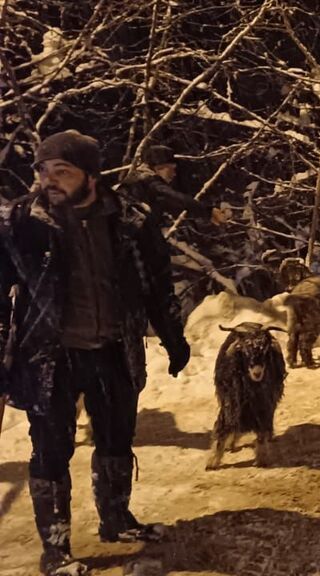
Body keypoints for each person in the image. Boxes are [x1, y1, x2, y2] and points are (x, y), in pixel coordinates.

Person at [0, 130, 191, 575]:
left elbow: (157, 285)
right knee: (50, 450)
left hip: (112, 349)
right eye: (43, 171)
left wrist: (173, 337)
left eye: (61, 172)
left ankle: (116, 520)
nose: (49, 180)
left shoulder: (129, 221)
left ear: (90, 175)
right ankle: (56, 547)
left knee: (116, 438)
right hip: (49, 355)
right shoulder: (20, 225)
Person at [119, 144, 230, 226]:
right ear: (159, 167)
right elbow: (175, 197)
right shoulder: (149, 181)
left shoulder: (139, 181)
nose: (174, 174)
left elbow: (174, 205)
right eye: (171, 168)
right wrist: (208, 211)